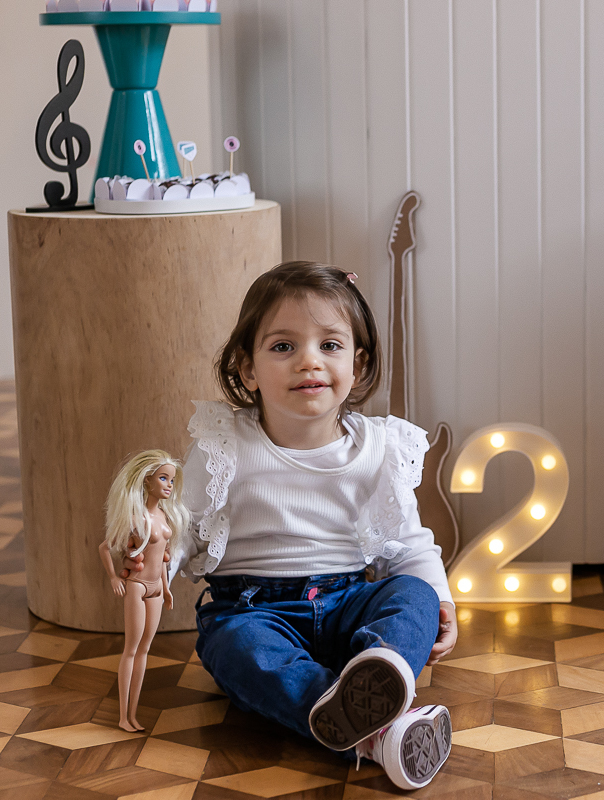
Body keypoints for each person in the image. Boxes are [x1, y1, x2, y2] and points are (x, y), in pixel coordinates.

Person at [166, 261, 454, 790]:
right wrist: (153, 559)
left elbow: (408, 543)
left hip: (350, 610)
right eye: (283, 347)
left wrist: (441, 600)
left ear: (358, 365)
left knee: (412, 594)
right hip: (254, 611)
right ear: (247, 368)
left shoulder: (379, 449)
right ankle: (380, 732)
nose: (308, 362)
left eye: (330, 345)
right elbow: (182, 527)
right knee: (235, 647)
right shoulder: (225, 445)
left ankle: (381, 664)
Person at [98, 450, 190, 733]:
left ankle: (133, 715)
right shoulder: (136, 518)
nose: (169, 485)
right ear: (147, 479)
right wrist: (114, 576)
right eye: (164, 478)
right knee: (131, 649)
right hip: (136, 587)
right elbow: (104, 547)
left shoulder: (164, 516)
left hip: (157, 590)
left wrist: (166, 587)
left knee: (146, 649)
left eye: (172, 480)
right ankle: (123, 716)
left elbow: (162, 557)